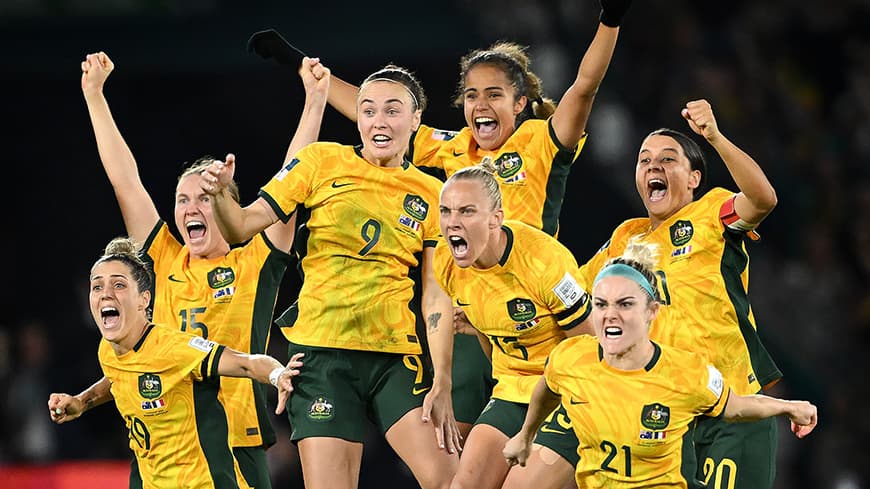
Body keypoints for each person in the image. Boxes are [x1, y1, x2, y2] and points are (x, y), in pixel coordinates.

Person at [320, 0, 631, 446]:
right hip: (472, 315)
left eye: (494, 94)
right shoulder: (455, 147)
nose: (480, 104)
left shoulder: (541, 142)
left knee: (551, 447)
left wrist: (610, 21)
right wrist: (312, 73)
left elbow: (583, 87)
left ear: (520, 102)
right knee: (454, 448)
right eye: (471, 95)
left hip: (537, 314)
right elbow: (381, 114)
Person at [46, 51, 329, 488]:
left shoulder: (253, 260)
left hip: (235, 437)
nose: (190, 207)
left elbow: (293, 182)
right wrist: (95, 96)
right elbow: (126, 181)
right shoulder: (162, 258)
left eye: (204, 196)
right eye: (182, 199)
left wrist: (314, 101)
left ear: (228, 205)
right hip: (162, 443)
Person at [200, 64, 460, 489]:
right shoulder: (320, 161)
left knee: (452, 482)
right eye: (368, 110)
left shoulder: (433, 194)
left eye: (393, 110)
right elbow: (242, 226)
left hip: (395, 358)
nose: (379, 120)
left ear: (415, 120)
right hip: (322, 358)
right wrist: (219, 197)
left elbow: (435, 295)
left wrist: (443, 381)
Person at [575, 99, 785, 488]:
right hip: (666, 413)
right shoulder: (626, 237)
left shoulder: (710, 213)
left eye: (668, 160)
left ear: (694, 179)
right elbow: (573, 294)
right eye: (644, 160)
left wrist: (715, 137)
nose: (653, 166)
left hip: (732, 407)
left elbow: (763, 200)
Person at [503, 241, 818, 488]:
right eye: (601, 305)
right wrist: (525, 435)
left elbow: (736, 406)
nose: (610, 314)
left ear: (651, 311)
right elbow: (548, 386)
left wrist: (788, 407)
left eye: (625, 304)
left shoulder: (686, 372)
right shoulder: (571, 357)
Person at [49, 237, 305, 489]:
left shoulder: (175, 348)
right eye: (97, 287)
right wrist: (81, 401)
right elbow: (118, 378)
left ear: (144, 300)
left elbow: (245, 363)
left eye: (118, 285)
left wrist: (277, 374)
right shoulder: (108, 350)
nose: (106, 294)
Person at [434, 162, 591, 489]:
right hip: (514, 389)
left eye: (466, 211)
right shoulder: (446, 263)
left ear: (496, 218)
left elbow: (590, 349)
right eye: (446, 211)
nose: (453, 223)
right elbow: (488, 333)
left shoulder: (544, 262)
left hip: (568, 392)